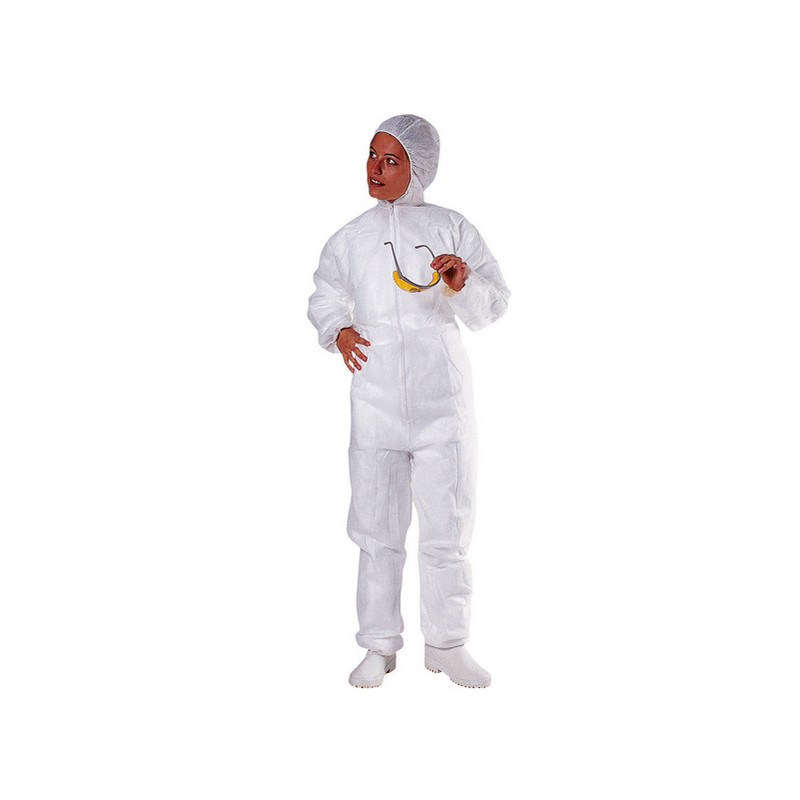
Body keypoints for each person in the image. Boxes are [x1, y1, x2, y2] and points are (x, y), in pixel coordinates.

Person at [307, 114, 510, 688]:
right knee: (376, 532)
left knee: (447, 530)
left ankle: (447, 644)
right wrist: (338, 330)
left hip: (442, 404)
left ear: (417, 169)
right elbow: (325, 293)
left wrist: (462, 283)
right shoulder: (350, 239)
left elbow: (494, 303)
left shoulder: (451, 228)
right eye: (372, 155)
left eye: (391, 160)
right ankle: (379, 645)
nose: (375, 168)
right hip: (375, 405)